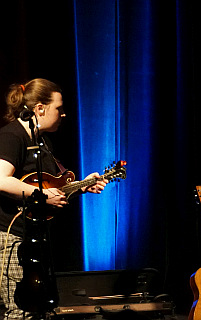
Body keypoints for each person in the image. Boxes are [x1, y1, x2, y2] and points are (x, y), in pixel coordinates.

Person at [0, 78, 108, 319]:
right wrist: (41, 196)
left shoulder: (41, 142)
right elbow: (1, 179)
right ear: (40, 108)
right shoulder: (12, 136)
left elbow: (49, 186)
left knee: (40, 310)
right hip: (11, 238)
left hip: (34, 239)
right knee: (20, 311)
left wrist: (81, 186)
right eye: (58, 108)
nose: (63, 114)